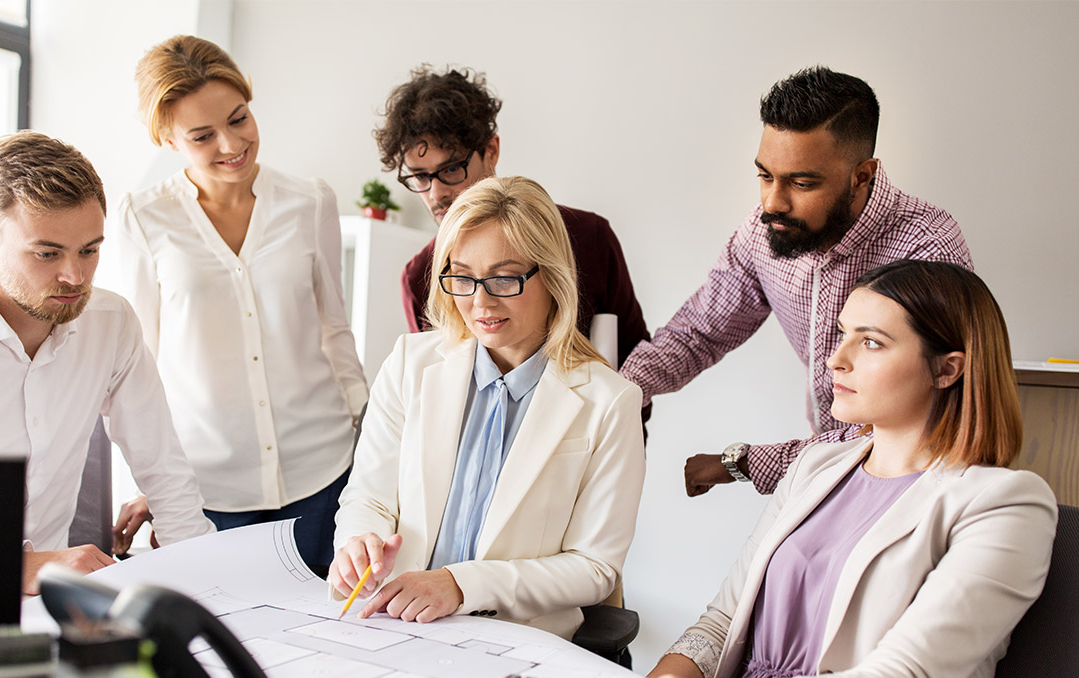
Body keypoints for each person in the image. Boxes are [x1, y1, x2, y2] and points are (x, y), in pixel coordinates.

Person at [647, 260, 1057, 678]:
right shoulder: (814, 468)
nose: (836, 360)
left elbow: (905, 671)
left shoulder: (1006, 504)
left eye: (872, 342)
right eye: (843, 334)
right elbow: (721, 624)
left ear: (946, 369)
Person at [619, 66, 973, 496]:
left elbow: (919, 422)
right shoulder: (767, 229)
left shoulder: (927, 250)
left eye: (801, 183)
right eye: (765, 176)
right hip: (824, 478)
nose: (773, 202)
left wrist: (742, 463)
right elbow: (700, 333)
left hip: (916, 485)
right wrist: (613, 393)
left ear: (862, 176)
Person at [330, 176, 645, 639]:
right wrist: (359, 542)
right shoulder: (408, 364)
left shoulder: (610, 401)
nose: (479, 302)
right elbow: (368, 498)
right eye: (462, 277)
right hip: (394, 626)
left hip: (517, 639)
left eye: (503, 278)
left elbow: (594, 567)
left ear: (552, 275)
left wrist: (461, 585)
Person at [104, 36, 368, 573]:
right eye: (203, 135)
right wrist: (152, 483)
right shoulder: (141, 217)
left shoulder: (310, 200)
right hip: (209, 489)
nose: (232, 144)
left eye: (239, 118)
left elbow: (334, 331)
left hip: (323, 471)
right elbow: (140, 366)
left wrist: (371, 445)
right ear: (169, 140)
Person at [0, 132, 214, 595]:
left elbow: (163, 467)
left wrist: (208, 585)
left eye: (89, 250)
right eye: (47, 253)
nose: (74, 277)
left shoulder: (111, 322)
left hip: (52, 612)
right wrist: (20, 567)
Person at [378, 65, 651, 373]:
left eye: (452, 169)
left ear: (491, 151)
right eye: (419, 177)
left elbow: (636, 369)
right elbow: (437, 388)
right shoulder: (420, 277)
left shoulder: (588, 238)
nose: (436, 193)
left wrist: (607, 415)